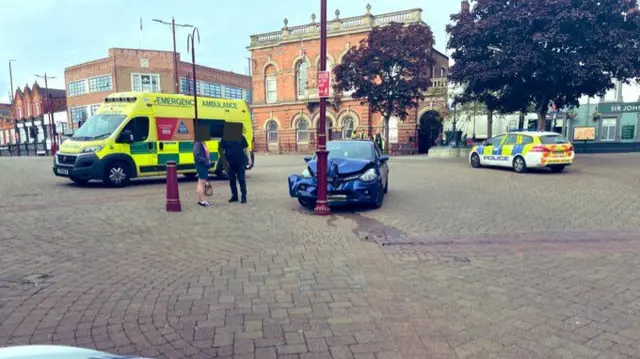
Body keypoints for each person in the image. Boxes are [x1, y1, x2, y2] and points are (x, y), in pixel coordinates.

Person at [220, 134, 252, 203]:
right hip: (229, 163)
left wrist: (249, 159)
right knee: (232, 180)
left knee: (241, 179)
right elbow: (221, 150)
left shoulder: (241, 136)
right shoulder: (225, 138)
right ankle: (234, 196)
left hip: (240, 162)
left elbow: (246, 148)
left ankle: (244, 197)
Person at [193, 139, 212, 208]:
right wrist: (205, 160)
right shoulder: (198, 142)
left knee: (200, 182)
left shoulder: (201, 141)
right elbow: (196, 155)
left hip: (202, 164)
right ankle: (202, 201)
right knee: (202, 183)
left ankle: (200, 200)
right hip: (201, 164)